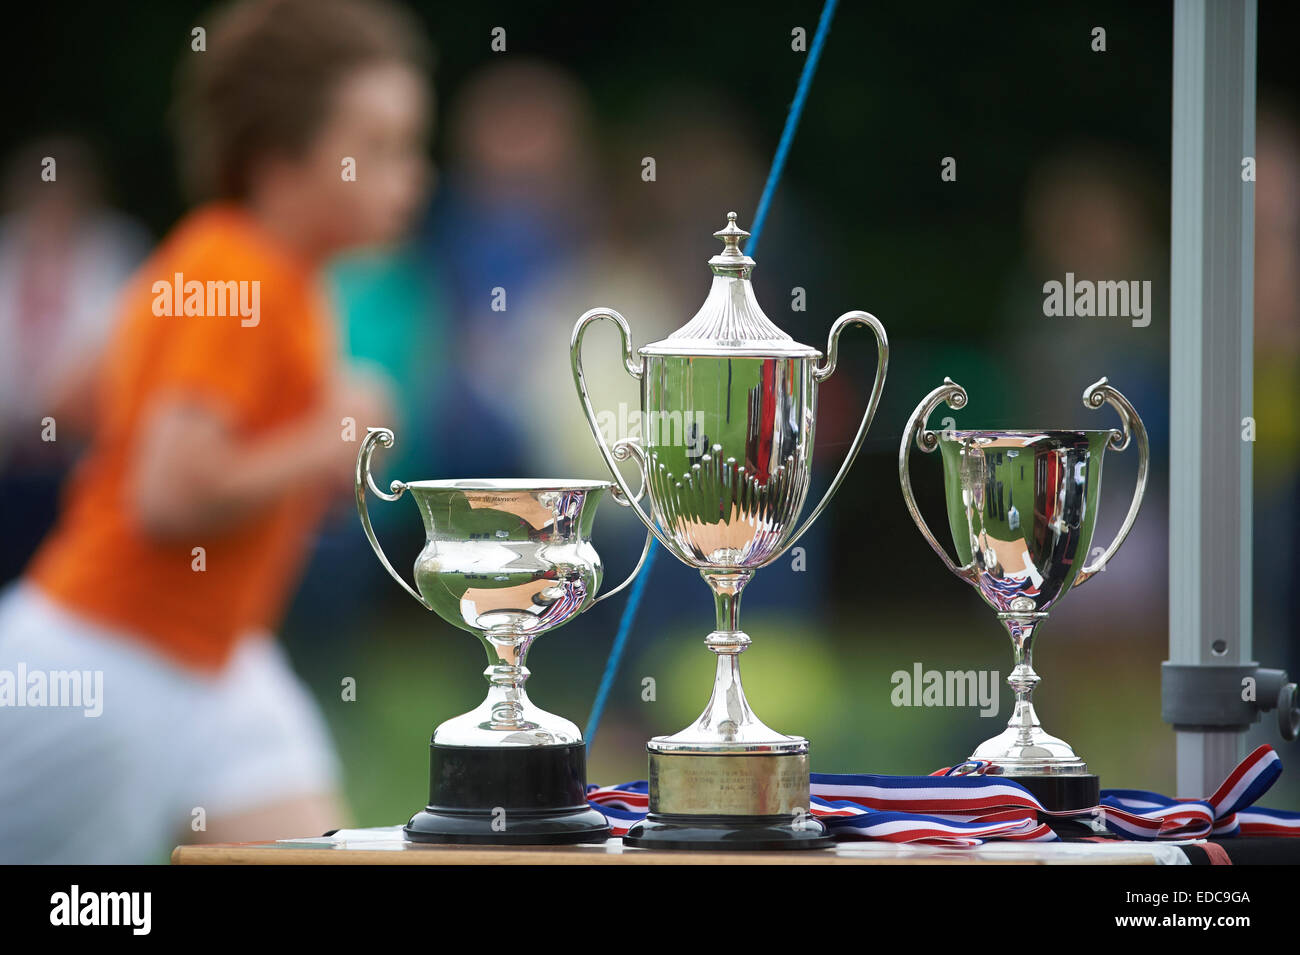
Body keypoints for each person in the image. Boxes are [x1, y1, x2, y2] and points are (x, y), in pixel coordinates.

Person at [0, 0, 432, 863]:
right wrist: (334, 433)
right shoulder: (240, 270)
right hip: (104, 663)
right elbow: (168, 495)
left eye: (411, 146)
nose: (410, 177)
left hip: (221, 662)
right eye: (378, 147)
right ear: (280, 157)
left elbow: (76, 387)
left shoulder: (263, 272)